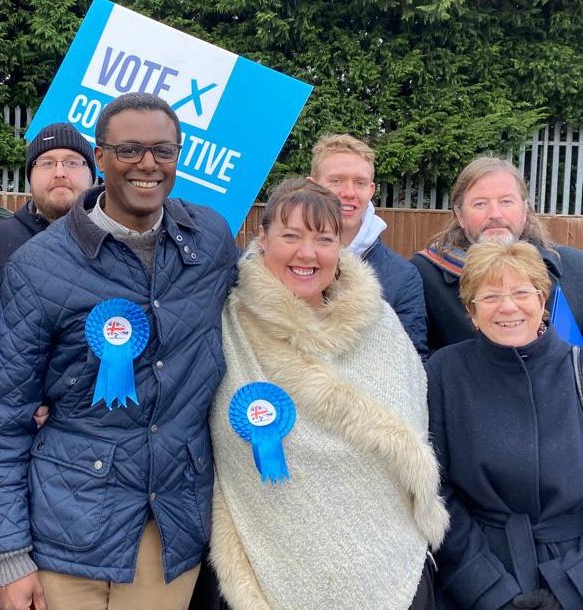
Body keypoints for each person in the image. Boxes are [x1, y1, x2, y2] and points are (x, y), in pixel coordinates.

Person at [0, 92, 238, 610]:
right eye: (130, 150)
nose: (148, 164)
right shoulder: (38, 266)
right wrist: (10, 557)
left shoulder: (209, 239)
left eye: (163, 150)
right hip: (66, 529)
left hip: (169, 528)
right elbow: (5, 418)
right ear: (100, 158)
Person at [207, 179, 447, 609]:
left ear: (340, 247)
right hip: (272, 556)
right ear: (261, 239)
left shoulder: (380, 324)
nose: (307, 253)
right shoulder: (226, 323)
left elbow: (415, 418)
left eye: (323, 239)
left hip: (386, 558)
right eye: (291, 236)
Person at [427, 240, 583, 609]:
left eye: (521, 292)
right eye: (491, 295)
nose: (508, 306)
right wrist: (487, 589)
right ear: (471, 310)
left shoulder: (578, 370)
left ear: (542, 301)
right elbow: (434, 487)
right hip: (478, 570)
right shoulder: (444, 373)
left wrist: (571, 586)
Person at [412, 156, 583, 352]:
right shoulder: (423, 275)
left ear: (525, 210)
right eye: (480, 204)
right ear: (460, 215)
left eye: (506, 201)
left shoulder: (575, 268)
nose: (495, 214)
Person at [309, 133, 427, 357]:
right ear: (312, 186)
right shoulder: (281, 261)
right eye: (336, 181)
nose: (349, 193)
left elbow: (413, 364)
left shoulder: (402, 278)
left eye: (360, 183)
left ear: (371, 190)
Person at [0, 122, 96, 277]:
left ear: (92, 176)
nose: (60, 172)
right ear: (30, 177)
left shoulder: (117, 243)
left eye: (72, 162)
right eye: (47, 163)